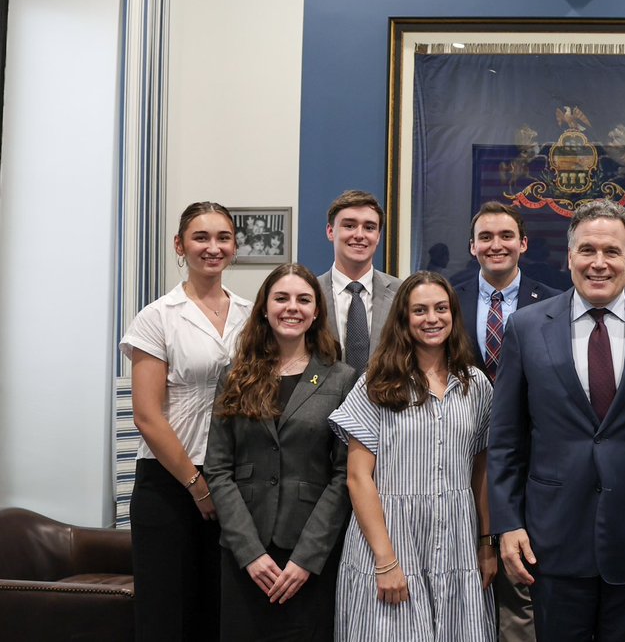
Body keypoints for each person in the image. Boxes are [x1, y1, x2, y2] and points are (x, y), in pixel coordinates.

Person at [488, 199, 625, 642]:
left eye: (611, 251)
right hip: (552, 538)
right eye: (587, 250)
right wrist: (507, 523)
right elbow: (506, 441)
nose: (598, 263)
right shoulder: (526, 328)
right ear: (570, 257)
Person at [329, 271, 496, 641]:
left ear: (454, 314)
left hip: (457, 542)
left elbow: (481, 469)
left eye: (441, 309)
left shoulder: (475, 384)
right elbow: (358, 478)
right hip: (389, 540)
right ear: (403, 319)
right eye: (419, 310)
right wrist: (386, 560)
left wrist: (486, 544)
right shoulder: (377, 381)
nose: (432, 319)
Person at [120, 201, 253, 641]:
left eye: (223, 238)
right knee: (166, 618)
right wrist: (196, 486)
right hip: (169, 484)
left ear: (235, 247)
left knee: (220, 614)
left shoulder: (253, 316)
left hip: (232, 482)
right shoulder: (157, 317)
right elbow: (146, 415)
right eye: (201, 238)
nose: (212, 248)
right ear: (180, 245)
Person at [204, 263, 357, 641]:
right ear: (264, 308)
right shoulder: (236, 374)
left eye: (304, 299)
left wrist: (307, 557)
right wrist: (250, 553)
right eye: (282, 298)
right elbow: (219, 469)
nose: (293, 307)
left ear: (317, 311)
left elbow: (344, 475)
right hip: (246, 552)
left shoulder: (340, 378)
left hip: (309, 554)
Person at [453, 201, 560, 642]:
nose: (496, 245)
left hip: (534, 458)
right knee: (466, 575)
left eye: (506, 237)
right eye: (486, 237)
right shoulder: (448, 300)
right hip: (462, 454)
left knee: (526, 580)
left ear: (523, 244)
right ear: (472, 246)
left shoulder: (553, 302)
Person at [318, 190, 400, 376]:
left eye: (369, 228)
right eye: (349, 225)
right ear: (331, 232)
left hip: (387, 402)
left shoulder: (402, 294)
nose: (359, 235)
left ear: (378, 236)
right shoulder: (310, 295)